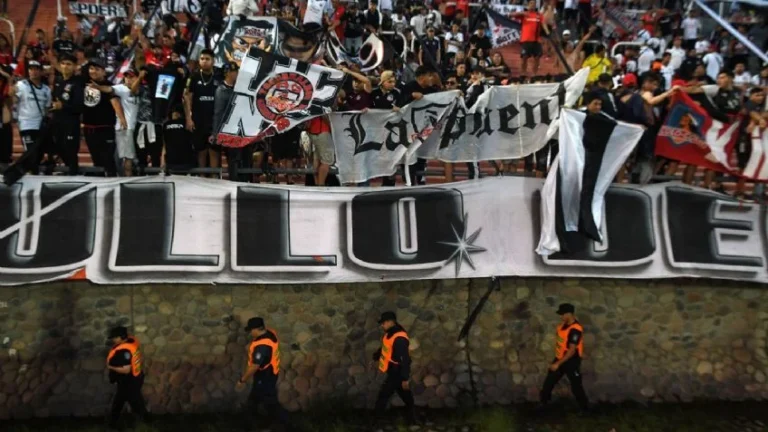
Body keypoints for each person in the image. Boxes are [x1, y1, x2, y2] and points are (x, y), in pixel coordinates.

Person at [235, 317, 290, 430]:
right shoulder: (270, 333)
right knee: (260, 401)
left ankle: (284, 424)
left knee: (267, 403)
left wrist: (242, 380)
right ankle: (256, 424)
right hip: (270, 373)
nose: (250, 333)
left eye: (251, 330)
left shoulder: (262, 345)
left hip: (264, 376)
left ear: (256, 329)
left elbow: (255, 366)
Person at [539, 303, 589, 412]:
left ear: (569, 314)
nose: (561, 317)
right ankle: (543, 405)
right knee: (548, 382)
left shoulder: (575, 329)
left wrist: (557, 364)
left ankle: (585, 409)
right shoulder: (563, 325)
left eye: (562, 314)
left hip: (571, 361)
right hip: (560, 358)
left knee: (576, 386)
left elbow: (571, 351)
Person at [82, 58, 123, 176]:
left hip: (105, 129)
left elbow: (115, 102)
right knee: (96, 160)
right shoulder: (84, 84)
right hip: (89, 128)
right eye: (91, 68)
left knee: (108, 160)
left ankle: (112, 183)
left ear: (104, 72)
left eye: (97, 69)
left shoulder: (110, 87)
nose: (93, 71)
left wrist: (122, 120)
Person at [373, 311, 416, 425]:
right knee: (404, 394)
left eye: (383, 323)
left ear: (390, 322)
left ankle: (377, 418)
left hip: (397, 371)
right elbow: (386, 347)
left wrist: (405, 378)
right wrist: (377, 355)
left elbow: (405, 360)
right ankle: (412, 416)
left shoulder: (399, 338)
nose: (382, 325)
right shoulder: (390, 333)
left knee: (384, 393)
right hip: (393, 369)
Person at [184, 48, 221, 170]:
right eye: (202, 59)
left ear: (213, 61)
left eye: (207, 59)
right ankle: (201, 177)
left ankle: (215, 178)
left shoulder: (219, 76)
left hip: (214, 121)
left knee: (214, 151)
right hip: (198, 120)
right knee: (201, 151)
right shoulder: (194, 77)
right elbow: (187, 98)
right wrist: (189, 119)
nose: (204, 61)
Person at [106, 326, 147, 429]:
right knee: (134, 401)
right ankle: (145, 420)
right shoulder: (131, 340)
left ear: (121, 337)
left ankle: (113, 424)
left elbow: (126, 369)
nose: (113, 340)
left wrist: (110, 367)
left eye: (114, 337)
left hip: (128, 380)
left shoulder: (124, 351)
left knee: (123, 402)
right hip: (136, 376)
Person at [50, 53, 84, 175]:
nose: (65, 67)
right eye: (63, 64)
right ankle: (68, 172)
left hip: (71, 123)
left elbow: (79, 106)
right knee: (58, 148)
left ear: (75, 66)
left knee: (70, 150)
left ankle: (74, 175)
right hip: (57, 121)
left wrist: (63, 106)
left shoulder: (78, 82)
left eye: (69, 64)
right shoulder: (58, 81)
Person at [512, 0, 546, 76]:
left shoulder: (539, 15)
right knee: (524, 57)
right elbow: (511, 15)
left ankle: (534, 74)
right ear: (528, 5)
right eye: (531, 3)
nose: (532, 5)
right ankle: (523, 74)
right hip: (526, 39)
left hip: (536, 40)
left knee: (537, 58)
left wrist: (548, 33)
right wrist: (523, 13)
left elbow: (544, 24)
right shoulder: (524, 14)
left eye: (534, 4)